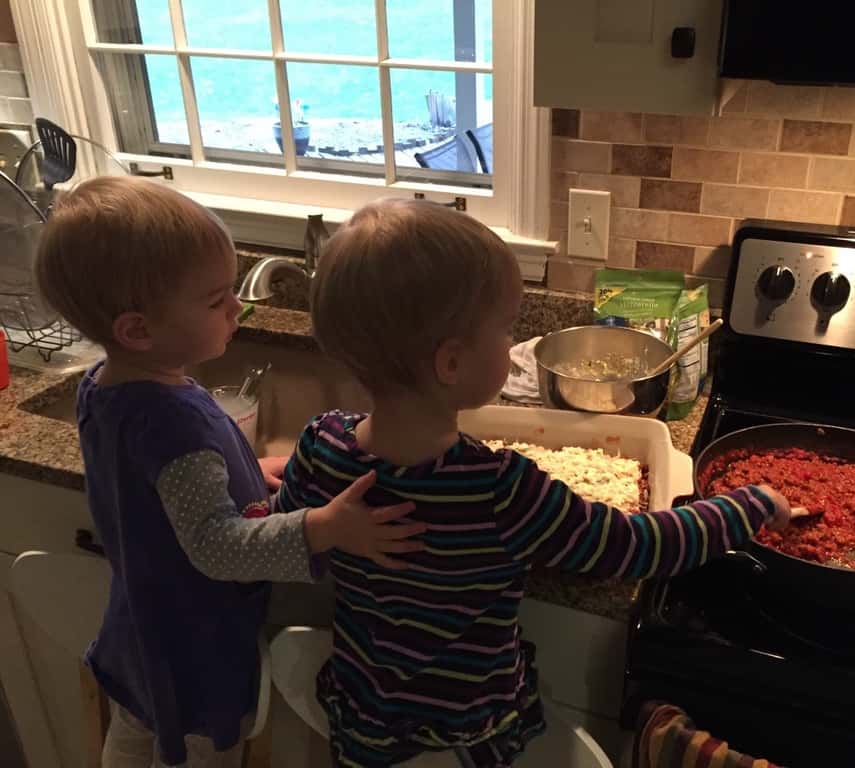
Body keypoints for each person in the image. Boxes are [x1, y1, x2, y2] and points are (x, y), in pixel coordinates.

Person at [276, 198, 793, 767]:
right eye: (506, 331)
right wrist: (748, 506)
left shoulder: (320, 447)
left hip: (363, 732)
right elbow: (635, 546)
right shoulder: (501, 491)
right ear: (450, 365)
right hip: (471, 742)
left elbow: (282, 529)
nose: (513, 344)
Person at [33, 177, 425, 767]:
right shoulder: (172, 418)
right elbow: (216, 546)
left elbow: (153, 486)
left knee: (135, 745)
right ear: (137, 328)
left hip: (141, 629)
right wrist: (324, 526)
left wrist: (244, 467)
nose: (237, 308)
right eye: (216, 300)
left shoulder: (110, 385)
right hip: (194, 652)